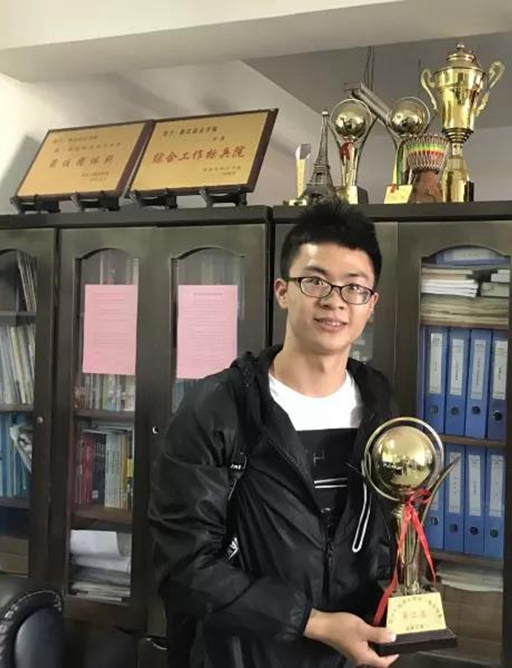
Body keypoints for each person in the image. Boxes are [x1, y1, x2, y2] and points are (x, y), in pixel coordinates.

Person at [149, 200, 400, 668]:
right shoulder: (218, 408)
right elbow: (184, 568)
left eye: (354, 287)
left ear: (371, 305)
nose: (334, 300)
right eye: (315, 281)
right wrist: (316, 624)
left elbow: (390, 530)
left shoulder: (380, 403)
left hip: (354, 654)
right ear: (283, 291)